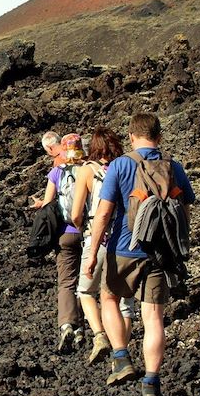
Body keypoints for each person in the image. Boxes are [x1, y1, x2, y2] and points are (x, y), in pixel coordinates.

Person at [84, 113, 195, 396]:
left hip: (122, 248)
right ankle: (152, 383)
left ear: (131, 136)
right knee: (154, 318)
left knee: (107, 297)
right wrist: (179, 246)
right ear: (159, 137)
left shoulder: (120, 165)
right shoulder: (173, 167)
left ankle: (121, 357)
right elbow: (185, 211)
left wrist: (93, 252)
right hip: (160, 254)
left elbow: (104, 213)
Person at [70, 126, 134, 365]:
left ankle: (100, 336)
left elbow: (76, 213)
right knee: (124, 301)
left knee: (86, 290)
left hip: (98, 235)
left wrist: (82, 229)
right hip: (126, 237)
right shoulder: (127, 167)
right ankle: (122, 354)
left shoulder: (87, 171)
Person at [41, 133, 85, 352]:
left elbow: (48, 205)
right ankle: (82, 329)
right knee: (85, 281)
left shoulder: (56, 172)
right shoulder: (90, 169)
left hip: (65, 233)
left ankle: (67, 324)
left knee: (66, 281)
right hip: (88, 232)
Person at [31, 131, 67, 208]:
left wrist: (42, 203)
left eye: (47, 151)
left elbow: (51, 199)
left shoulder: (58, 163)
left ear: (50, 148)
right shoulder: (73, 153)